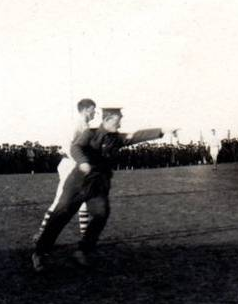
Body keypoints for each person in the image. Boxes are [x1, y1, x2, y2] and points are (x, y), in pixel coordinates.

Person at [31, 107, 170, 272]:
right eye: (119, 120)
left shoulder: (117, 138)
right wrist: (82, 161)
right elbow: (76, 147)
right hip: (78, 182)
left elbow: (137, 135)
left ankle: (82, 251)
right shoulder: (90, 133)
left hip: (98, 185)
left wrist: (162, 131)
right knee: (61, 214)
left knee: (101, 214)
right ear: (108, 119)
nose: (120, 124)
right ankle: (39, 253)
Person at [36, 98, 97, 239]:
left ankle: (85, 237)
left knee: (83, 200)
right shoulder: (77, 124)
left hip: (77, 165)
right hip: (70, 164)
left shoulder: (84, 124)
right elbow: (68, 146)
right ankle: (41, 232)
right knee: (60, 201)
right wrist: (81, 161)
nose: (95, 113)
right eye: (94, 109)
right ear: (87, 109)